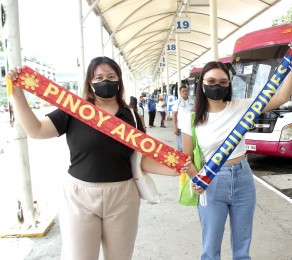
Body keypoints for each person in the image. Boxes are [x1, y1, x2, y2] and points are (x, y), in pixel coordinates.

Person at [6, 56, 179, 260]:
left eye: (111, 76)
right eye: (98, 77)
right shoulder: (73, 110)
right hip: (80, 197)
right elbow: (36, 130)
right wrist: (17, 94)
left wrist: (176, 168)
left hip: (123, 196)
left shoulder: (131, 117)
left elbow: (143, 159)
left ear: (119, 80)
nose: (105, 81)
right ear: (90, 83)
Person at [180, 42, 292, 260]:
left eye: (222, 82)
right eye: (211, 81)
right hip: (211, 182)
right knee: (210, 249)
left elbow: (281, 97)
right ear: (202, 84)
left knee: (242, 248)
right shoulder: (190, 119)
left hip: (243, 178)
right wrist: (196, 179)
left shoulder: (242, 106)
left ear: (228, 85)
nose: (216, 85)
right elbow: (186, 159)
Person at [172, 85, 192, 151]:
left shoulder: (193, 101)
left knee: (191, 146)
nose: (185, 92)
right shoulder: (177, 102)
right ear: (180, 93)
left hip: (191, 127)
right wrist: (175, 127)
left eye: (186, 91)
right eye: (183, 91)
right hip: (180, 127)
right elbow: (174, 115)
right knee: (181, 146)